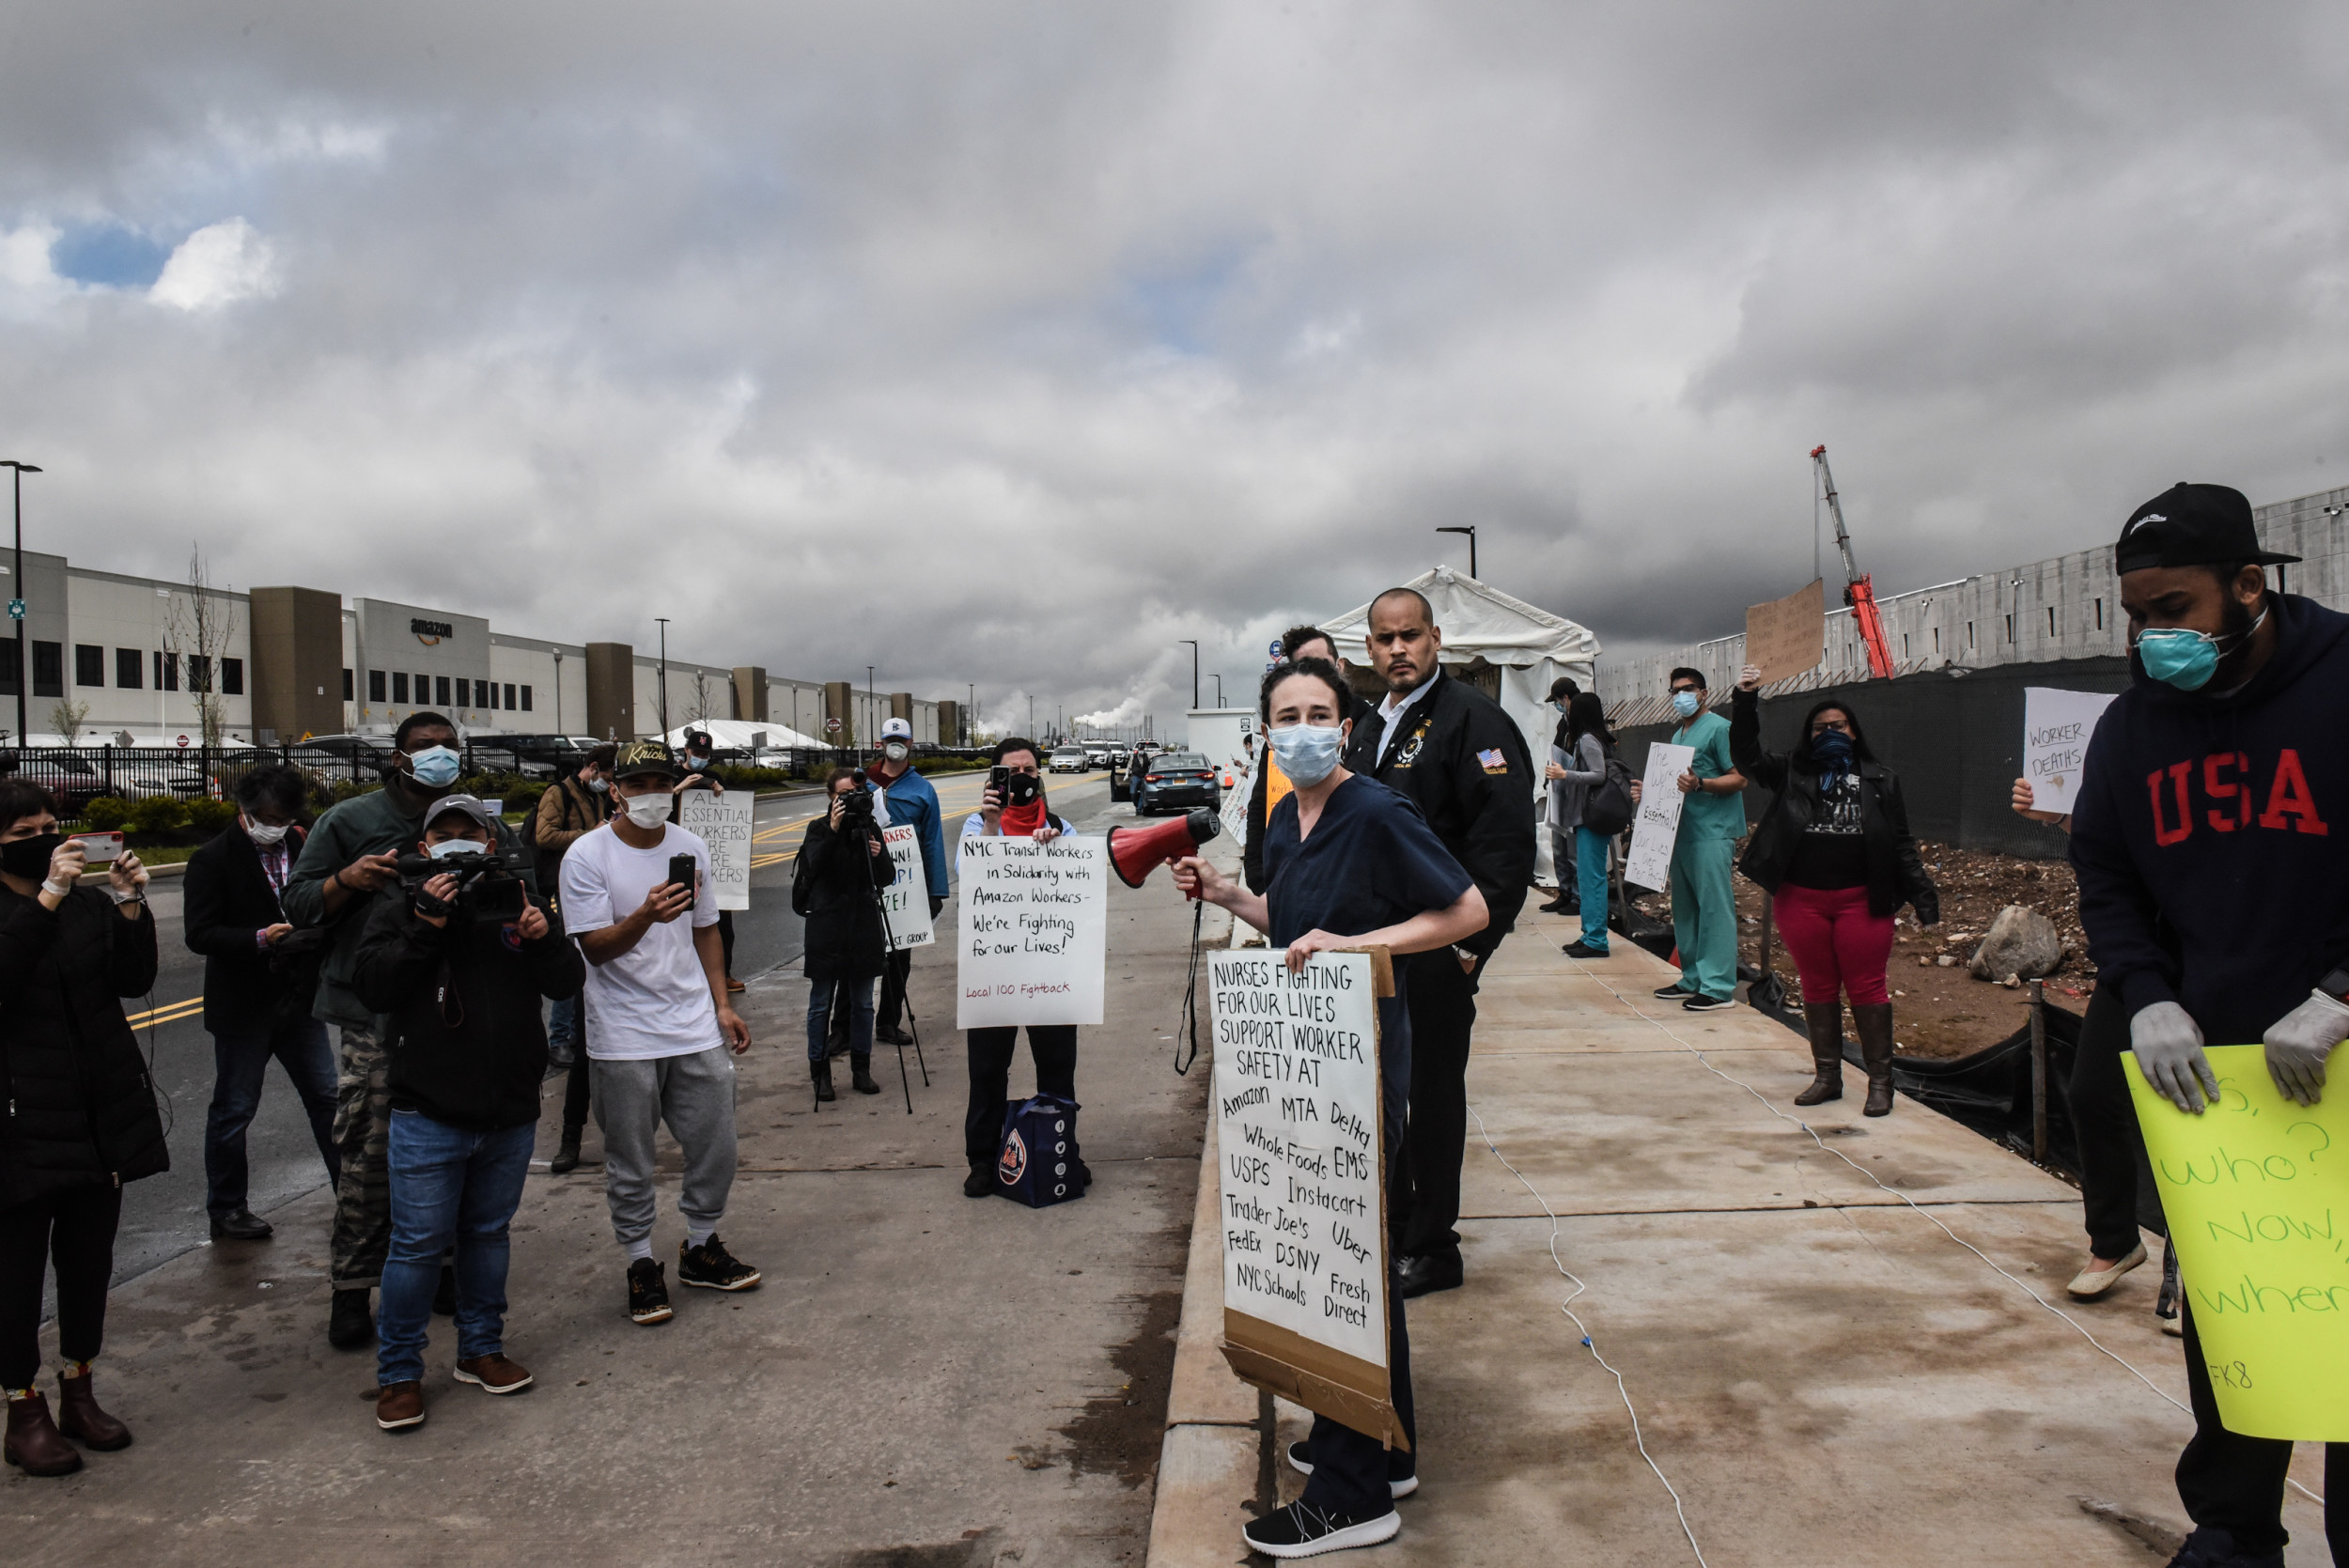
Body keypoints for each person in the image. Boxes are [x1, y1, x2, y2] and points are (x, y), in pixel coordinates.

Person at [2067, 482, 2349, 1568]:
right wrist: (2147, 994)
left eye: (2174, 606)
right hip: (2226, 1085)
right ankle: (2234, 1530)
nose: (2153, 636)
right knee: (2242, 1310)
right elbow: (2104, 871)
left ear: (2249, 584)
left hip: (2337, 1061)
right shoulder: (2132, 727)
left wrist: (2338, 993)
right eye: (2136, 614)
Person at [1174, 656, 1489, 1558]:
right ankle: (1385, 1449)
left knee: (1340, 1265)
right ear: (1266, 733)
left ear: (1345, 727)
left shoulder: (1378, 811)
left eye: (1320, 712)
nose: (1305, 726)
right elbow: (1292, 917)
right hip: (1300, 1072)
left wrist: (1359, 945)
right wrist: (1231, 894)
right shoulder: (1282, 814)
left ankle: (1352, 1495)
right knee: (1355, 1259)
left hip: (1359, 1074)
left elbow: (1463, 908)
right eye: (1287, 714)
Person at [351, 794, 584, 1433]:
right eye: (444, 833)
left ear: (490, 842)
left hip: (507, 1105)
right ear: (424, 847)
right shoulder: (400, 901)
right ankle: (398, 1373)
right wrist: (425, 923)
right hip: (429, 1107)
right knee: (418, 1243)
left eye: (470, 832)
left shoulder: (517, 893)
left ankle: (481, 1346)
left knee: (488, 1233)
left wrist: (544, 941)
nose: (458, 842)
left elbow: (565, 984)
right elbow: (374, 986)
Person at [1339, 587, 1534, 1299]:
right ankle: (1390, 1226)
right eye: (1385, 638)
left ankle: (1432, 1244)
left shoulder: (1472, 721)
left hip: (1437, 948)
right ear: (1369, 648)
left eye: (1411, 635)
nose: (1399, 649)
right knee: (1378, 1095)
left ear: (1436, 638)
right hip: (1371, 946)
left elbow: (1506, 848)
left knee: (1431, 1096)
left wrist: (1471, 949)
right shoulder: (1368, 729)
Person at [285, 711, 487, 1351]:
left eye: (448, 746)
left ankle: (444, 1270)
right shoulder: (349, 821)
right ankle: (352, 1287)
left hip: (453, 1008)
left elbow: (520, 890)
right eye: (425, 747)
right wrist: (349, 879)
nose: (439, 755)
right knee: (371, 1152)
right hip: (373, 1012)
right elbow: (298, 902)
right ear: (398, 756)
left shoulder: (481, 821)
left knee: (452, 1145)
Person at [561, 739, 760, 1327]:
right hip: (623, 1031)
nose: (651, 794)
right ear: (615, 789)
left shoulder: (690, 845)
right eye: (639, 783)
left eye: (660, 782)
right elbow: (594, 949)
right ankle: (640, 1260)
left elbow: (707, 931)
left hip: (692, 1021)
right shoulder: (586, 855)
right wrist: (644, 916)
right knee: (630, 1155)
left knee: (716, 1141)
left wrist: (721, 1005)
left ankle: (701, 1244)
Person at [0, 783, 162, 1477]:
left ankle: (79, 1386)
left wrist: (129, 903)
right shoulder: (34, 906)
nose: (46, 838)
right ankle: (22, 1406)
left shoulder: (87, 903)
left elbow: (134, 978)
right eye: (24, 832)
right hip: (21, 1124)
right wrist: (45, 901)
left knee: (89, 1263)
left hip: (100, 1115)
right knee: (14, 1275)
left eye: (50, 825)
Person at [1729, 665, 1938, 1115]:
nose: (1829, 732)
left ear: (1854, 731)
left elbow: (1901, 841)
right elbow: (1747, 757)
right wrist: (1746, 701)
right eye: (1820, 727)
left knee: (1867, 987)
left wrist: (1923, 894)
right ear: (1809, 734)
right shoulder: (1789, 771)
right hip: (1800, 900)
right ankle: (1827, 1076)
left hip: (1862, 901)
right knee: (1817, 985)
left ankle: (1881, 1083)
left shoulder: (1881, 779)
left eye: (1837, 725)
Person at [2012, 777, 2172, 1326]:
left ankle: (2199, 1280)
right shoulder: (2143, 740)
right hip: (2138, 957)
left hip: (2226, 955)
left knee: (2206, 1108)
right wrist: (2061, 817)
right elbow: (2119, 846)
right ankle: (2115, 1240)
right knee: (2092, 1093)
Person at [183, 764, 337, 1243]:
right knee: (234, 1109)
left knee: (329, 1101)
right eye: (264, 816)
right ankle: (227, 1208)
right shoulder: (212, 859)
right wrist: (259, 938)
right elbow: (200, 933)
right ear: (244, 812)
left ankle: (352, 1194)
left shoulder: (302, 845)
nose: (274, 824)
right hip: (244, 1006)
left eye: (283, 815)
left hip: (298, 1001)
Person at [957, 737, 1081, 1199]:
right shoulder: (975, 824)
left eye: (1030, 769)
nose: (1024, 778)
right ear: (995, 779)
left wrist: (1052, 848)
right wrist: (993, 825)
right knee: (987, 1069)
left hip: (1048, 967)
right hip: (994, 970)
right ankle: (983, 1159)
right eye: (1013, 772)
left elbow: (1076, 892)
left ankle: (1063, 1149)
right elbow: (971, 881)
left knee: (1057, 1066)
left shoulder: (1060, 828)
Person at [535, 743, 615, 1175]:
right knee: (584, 1047)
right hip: (571, 897)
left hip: (605, 905)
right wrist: (593, 835)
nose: (610, 781)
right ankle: (570, 1135)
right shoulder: (559, 794)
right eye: (606, 773)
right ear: (590, 769)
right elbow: (544, 837)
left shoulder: (602, 796)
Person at [1243, 626, 1371, 894]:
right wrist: (1257, 875)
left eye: (1320, 716)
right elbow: (1261, 801)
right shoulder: (1283, 811)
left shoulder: (1372, 725)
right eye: (1304, 665)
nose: (1313, 675)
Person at [1648, 667, 1747, 1012]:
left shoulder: (1720, 729)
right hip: (1682, 833)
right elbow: (1675, 784)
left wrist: (1701, 784)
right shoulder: (1678, 737)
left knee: (1714, 909)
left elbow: (1739, 778)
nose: (1681, 696)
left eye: (1688, 689)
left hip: (1711, 832)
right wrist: (1648, 794)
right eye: (1675, 691)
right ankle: (1692, 977)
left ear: (1704, 692)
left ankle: (1718, 987)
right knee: (1685, 909)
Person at [795, 768, 895, 1100]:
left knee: (864, 1004)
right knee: (820, 1005)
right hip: (826, 927)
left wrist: (879, 857)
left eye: (855, 796)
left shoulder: (870, 827)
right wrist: (835, 830)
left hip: (863, 924)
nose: (849, 802)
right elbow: (814, 869)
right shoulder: (819, 828)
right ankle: (819, 1071)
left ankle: (861, 1068)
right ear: (830, 798)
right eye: (842, 796)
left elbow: (886, 878)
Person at [864, 716, 948, 1047]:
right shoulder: (862, 782)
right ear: (880, 743)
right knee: (853, 957)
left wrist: (935, 891)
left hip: (905, 887)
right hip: (863, 883)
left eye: (902, 740)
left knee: (899, 959)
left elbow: (931, 841)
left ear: (911, 744)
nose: (895, 745)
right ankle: (843, 1029)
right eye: (889, 739)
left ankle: (888, 1021)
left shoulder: (923, 790)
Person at [675, 730, 741, 994]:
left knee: (722, 922)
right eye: (696, 753)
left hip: (712, 857)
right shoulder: (674, 776)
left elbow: (728, 813)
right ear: (686, 751)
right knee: (683, 920)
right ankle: (689, 976)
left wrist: (721, 793)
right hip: (680, 858)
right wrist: (679, 789)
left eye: (705, 754)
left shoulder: (713, 777)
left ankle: (724, 975)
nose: (700, 758)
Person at [1552, 692, 1616, 960]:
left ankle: (1597, 939)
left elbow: (1599, 774)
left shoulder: (1588, 740)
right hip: (1587, 818)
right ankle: (1590, 934)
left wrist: (1566, 774)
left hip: (1590, 818)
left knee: (1592, 879)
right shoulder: (1593, 738)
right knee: (1589, 879)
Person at [1537, 675, 1583, 914]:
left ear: (1565, 698)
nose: (1556, 706)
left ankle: (1577, 896)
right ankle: (1565, 891)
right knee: (1559, 844)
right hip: (1559, 789)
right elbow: (1556, 751)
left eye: (1556, 701)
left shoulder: (1583, 722)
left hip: (1575, 791)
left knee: (1573, 848)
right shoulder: (1564, 724)